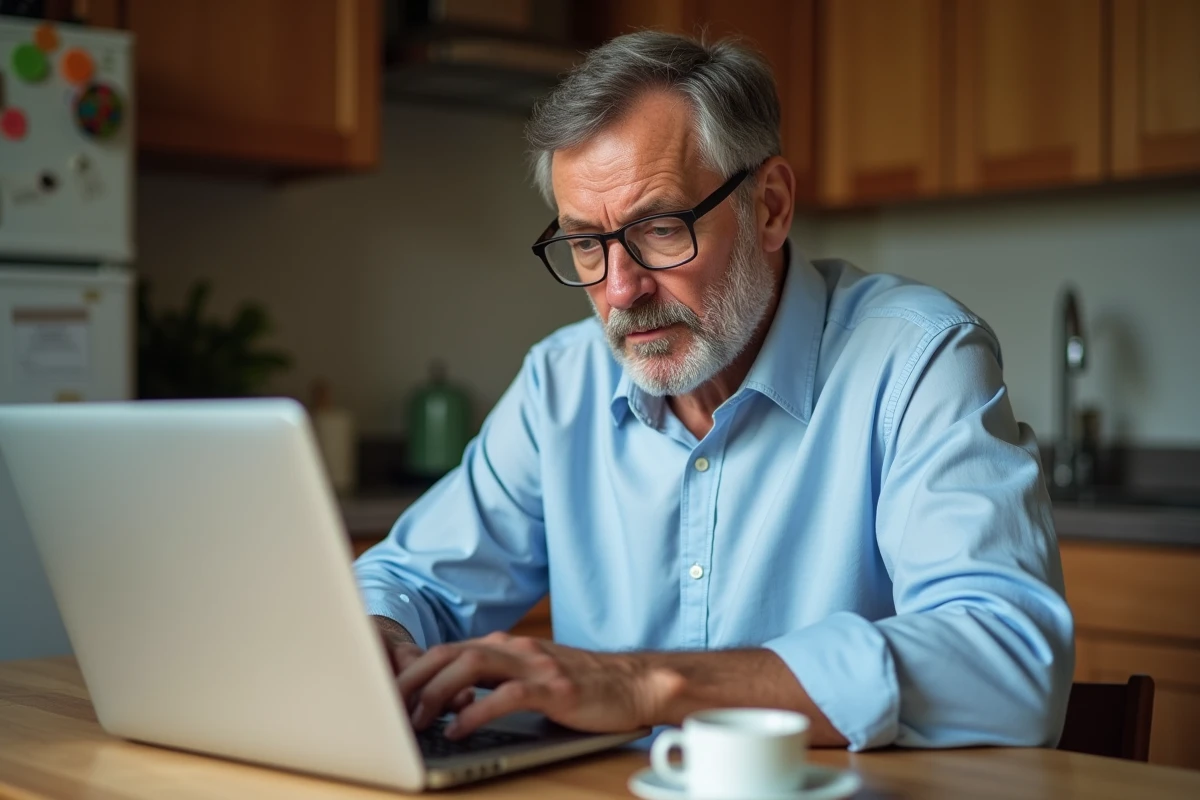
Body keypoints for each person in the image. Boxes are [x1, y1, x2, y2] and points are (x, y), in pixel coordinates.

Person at [355, 31, 1074, 750]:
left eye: (661, 229)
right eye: (585, 243)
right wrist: (378, 635)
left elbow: (1007, 661)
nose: (619, 289)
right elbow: (408, 580)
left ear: (769, 207)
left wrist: (647, 686)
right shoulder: (561, 383)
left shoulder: (918, 361)